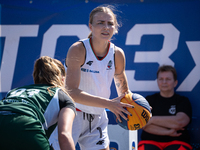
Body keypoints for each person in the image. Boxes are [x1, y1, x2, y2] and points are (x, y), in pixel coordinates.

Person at [49, 4, 133, 150]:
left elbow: (123, 91)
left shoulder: (117, 54)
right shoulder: (78, 49)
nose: (106, 27)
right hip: (70, 114)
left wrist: (136, 105)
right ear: (91, 26)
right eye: (100, 23)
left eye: (110, 24)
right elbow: (71, 93)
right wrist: (109, 104)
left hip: (97, 117)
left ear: (115, 28)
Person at [0, 56, 76, 150]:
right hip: (25, 123)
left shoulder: (15, 91)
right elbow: (64, 135)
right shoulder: (60, 95)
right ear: (62, 79)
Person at [138, 65, 192, 150]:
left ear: (175, 83)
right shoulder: (149, 100)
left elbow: (179, 122)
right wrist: (168, 131)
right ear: (157, 81)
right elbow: (142, 124)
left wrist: (151, 120)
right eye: (161, 79)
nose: (164, 82)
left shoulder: (182, 101)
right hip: (149, 142)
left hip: (177, 142)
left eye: (168, 79)